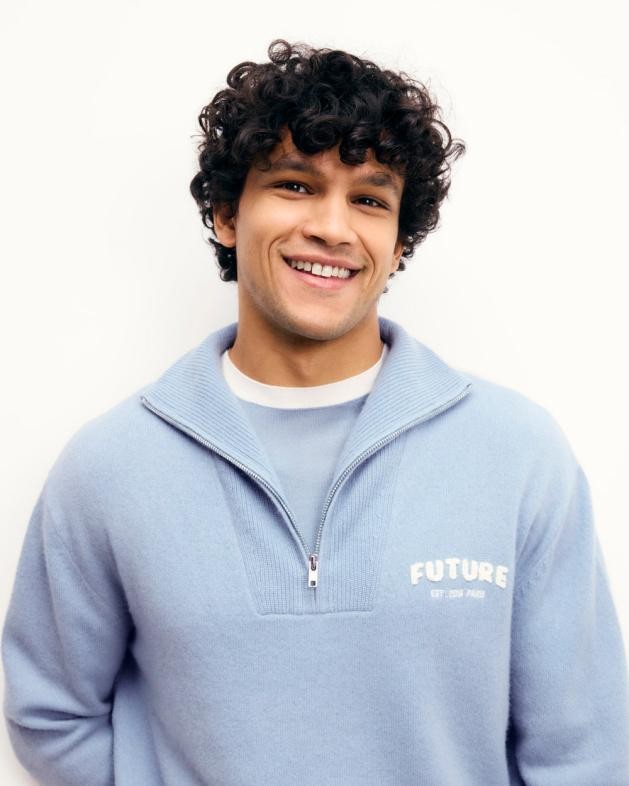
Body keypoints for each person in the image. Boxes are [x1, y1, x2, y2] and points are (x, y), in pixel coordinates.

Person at [2, 38, 628, 786]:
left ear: (398, 242)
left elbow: (584, 751)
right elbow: (51, 716)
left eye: (369, 199)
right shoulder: (109, 467)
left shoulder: (518, 454)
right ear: (226, 214)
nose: (333, 227)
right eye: (296, 185)